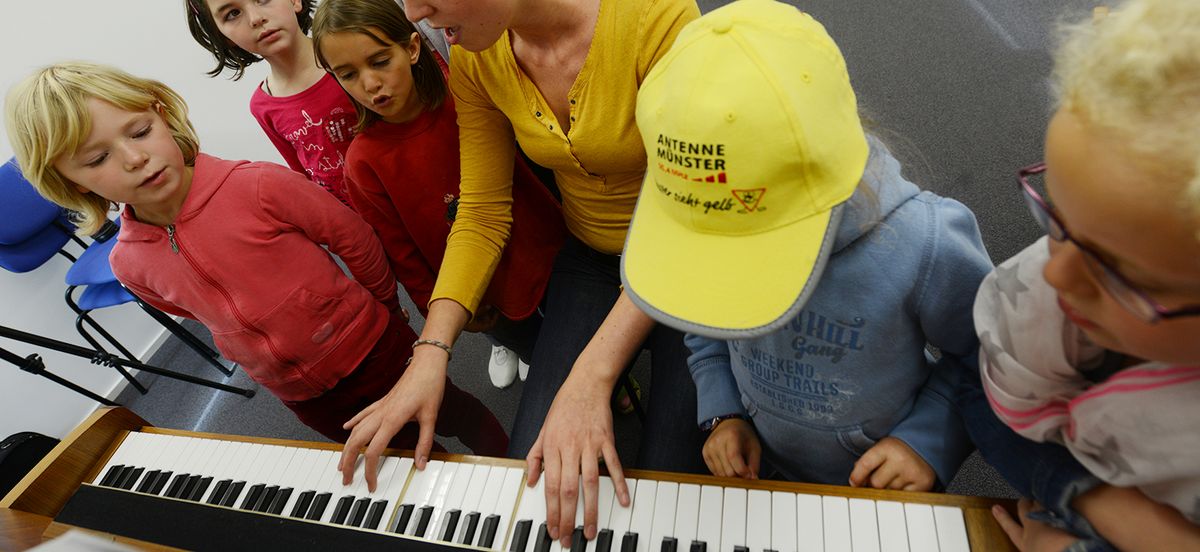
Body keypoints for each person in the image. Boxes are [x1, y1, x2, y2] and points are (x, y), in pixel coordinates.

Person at [336, 0, 705, 545]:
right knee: (532, 484)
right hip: (593, 255)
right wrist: (431, 352)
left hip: (686, 260)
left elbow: (690, 213)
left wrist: (592, 376)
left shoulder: (656, 18)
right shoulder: (475, 58)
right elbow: (482, 209)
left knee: (672, 493)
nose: (413, 13)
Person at [4, 61, 508, 458]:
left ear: (161, 114)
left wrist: (385, 309)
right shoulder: (129, 263)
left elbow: (353, 238)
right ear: (73, 183)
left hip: (374, 344)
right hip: (301, 394)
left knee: (451, 412)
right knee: (398, 456)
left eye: (139, 132)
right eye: (97, 159)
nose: (135, 157)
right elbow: (189, 309)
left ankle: (507, 457)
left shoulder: (257, 184)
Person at [620, 0, 990, 492]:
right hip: (764, 462)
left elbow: (990, 355)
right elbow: (702, 319)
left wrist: (926, 441)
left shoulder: (925, 244)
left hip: (881, 482)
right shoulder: (703, 208)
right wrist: (723, 409)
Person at [957, 0, 1200, 550]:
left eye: (1120, 273)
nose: (1058, 274)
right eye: (1059, 219)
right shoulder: (1049, 286)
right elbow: (977, 385)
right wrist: (1090, 498)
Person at [186, 0, 528, 385]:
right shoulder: (264, 104)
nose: (256, 18)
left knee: (487, 245)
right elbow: (301, 175)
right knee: (433, 267)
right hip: (367, 220)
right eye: (232, 13)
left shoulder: (348, 51)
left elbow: (433, 95)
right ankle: (503, 337)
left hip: (428, 183)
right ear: (221, 34)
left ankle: (520, 319)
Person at [310, 0, 564, 390]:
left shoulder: (464, 96)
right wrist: (436, 303)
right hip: (480, 289)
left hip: (544, 243)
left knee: (580, 326)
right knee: (543, 357)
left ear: (412, 48)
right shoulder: (362, 163)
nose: (370, 84)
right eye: (348, 74)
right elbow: (401, 253)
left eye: (380, 62)